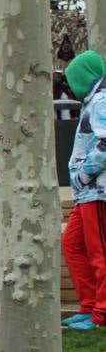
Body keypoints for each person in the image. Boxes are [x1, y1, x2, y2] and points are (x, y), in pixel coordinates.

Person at [62, 50, 106, 331]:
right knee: (73, 245)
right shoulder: (95, 100)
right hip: (88, 193)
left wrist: (82, 176)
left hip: (98, 191)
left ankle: (101, 313)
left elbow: (105, 144)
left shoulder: (100, 101)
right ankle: (89, 305)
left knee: (99, 253)